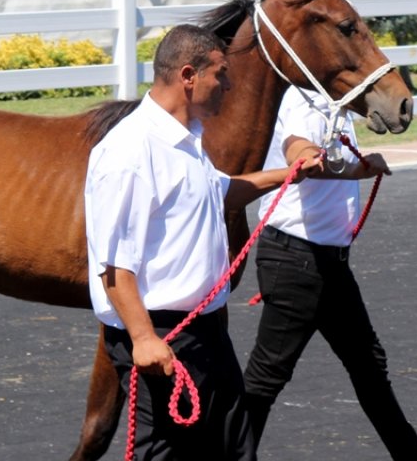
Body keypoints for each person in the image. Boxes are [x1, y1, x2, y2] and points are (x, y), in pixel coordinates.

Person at [85, 24, 321, 460]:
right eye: (221, 75)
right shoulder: (129, 153)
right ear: (188, 76)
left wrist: (288, 175)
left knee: (235, 450)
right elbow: (114, 263)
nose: (228, 86)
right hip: (163, 336)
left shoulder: (188, 138)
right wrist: (143, 339)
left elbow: (219, 189)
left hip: (207, 333)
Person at [242, 86, 417, 460]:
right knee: (268, 376)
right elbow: (299, 149)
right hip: (298, 260)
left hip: (323, 262)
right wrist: (350, 167)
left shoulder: (332, 102)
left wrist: (358, 167)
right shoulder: (304, 100)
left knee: (367, 363)